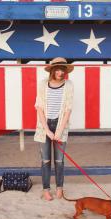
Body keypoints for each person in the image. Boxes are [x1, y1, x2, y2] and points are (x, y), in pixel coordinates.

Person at [34, 57, 74, 201]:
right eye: (57, 69)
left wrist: (58, 130)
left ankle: (59, 188)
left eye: (62, 69)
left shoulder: (69, 85)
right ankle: (46, 190)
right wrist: (48, 131)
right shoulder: (43, 84)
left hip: (60, 125)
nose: (60, 72)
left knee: (59, 160)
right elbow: (38, 107)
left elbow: (68, 109)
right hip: (44, 125)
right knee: (45, 160)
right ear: (52, 70)